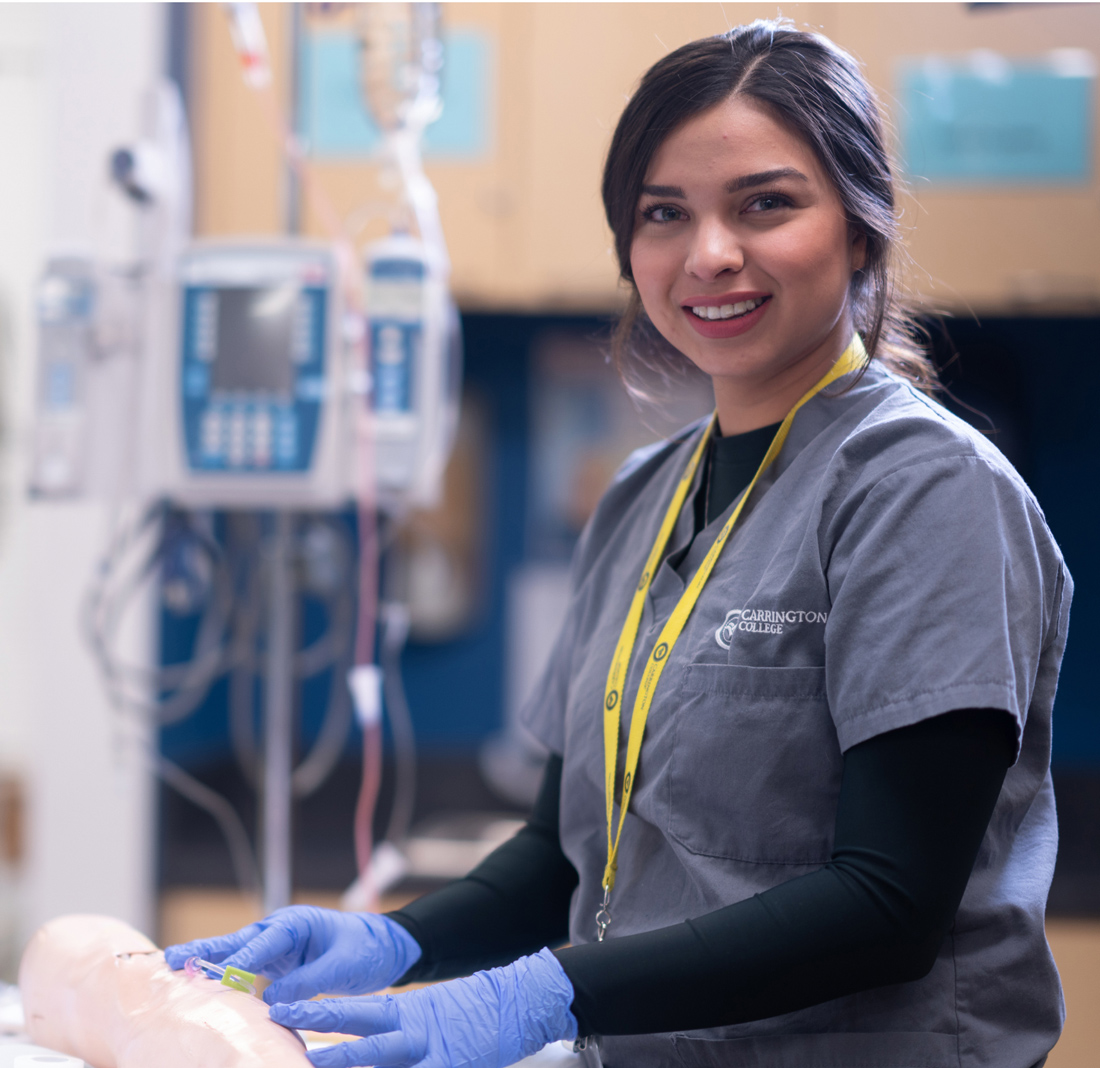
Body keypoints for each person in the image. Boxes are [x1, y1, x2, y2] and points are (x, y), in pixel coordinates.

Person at [166, 20, 1071, 1068]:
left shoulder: (921, 490)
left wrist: (537, 995)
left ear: (860, 226)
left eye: (764, 204)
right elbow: (562, 857)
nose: (709, 254)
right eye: (662, 214)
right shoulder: (641, 496)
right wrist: (392, 940)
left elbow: (889, 899)